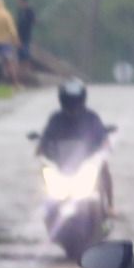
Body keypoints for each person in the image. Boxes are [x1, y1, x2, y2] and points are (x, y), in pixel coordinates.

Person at [35, 79, 111, 207]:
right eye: (70, 102)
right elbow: (45, 140)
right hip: (61, 164)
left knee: (104, 168)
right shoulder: (56, 119)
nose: (73, 105)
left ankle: (110, 206)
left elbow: (103, 139)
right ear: (63, 101)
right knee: (44, 170)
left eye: (75, 101)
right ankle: (45, 204)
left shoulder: (91, 117)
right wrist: (41, 149)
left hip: (86, 163)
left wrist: (103, 149)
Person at [15, 0, 37, 71]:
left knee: (26, 56)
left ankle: (28, 72)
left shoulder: (29, 10)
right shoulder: (20, 10)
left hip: (26, 37)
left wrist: (34, 21)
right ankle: (21, 73)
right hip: (18, 37)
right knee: (20, 57)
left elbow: (34, 21)